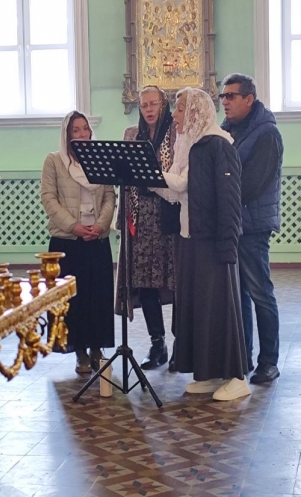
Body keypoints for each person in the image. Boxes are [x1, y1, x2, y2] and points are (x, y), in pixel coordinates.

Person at [151, 87, 250, 402]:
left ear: (195, 112)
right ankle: (209, 372)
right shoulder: (190, 145)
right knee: (199, 308)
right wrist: (148, 180)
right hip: (190, 238)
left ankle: (236, 377)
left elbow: (230, 201)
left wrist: (228, 245)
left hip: (213, 241)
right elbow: (177, 191)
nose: (175, 116)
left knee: (221, 308)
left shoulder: (219, 144)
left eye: (180, 109)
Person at [41, 111, 116, 375]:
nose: (82, 134)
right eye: (76, 130)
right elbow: (49, 198)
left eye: (85, 129)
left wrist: (100, 225)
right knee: (74, 300)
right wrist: (73, 226)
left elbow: (110, 196)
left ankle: (97, 348)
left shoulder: (101, 159)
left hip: (97, 238)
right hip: (68, 241)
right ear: (67, 134)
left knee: (98, 297)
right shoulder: (54, 161)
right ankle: (80, 352)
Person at [220, 73, 283, 385]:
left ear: (249, 99)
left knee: (260, 293)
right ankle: (242, 356)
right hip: (234, 222)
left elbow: (254, 183)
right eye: (223, 96)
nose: (225, 102)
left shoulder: (267, 133)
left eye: (231, 96)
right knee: (239, 294)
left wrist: (221, 200)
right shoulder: (227, 130)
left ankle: (269, 361)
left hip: (254, 225)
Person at [115, 86, 178, 370]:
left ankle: (180, 344)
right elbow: (123, 177)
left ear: (163, 105)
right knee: (145, 283)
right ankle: (157, 343)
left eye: (154, 104)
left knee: (174, 282)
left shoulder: (176, 132)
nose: (149, 110)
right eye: (144, 105)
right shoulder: (131, 134)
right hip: (139, 217)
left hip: (168, 217)